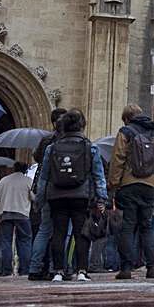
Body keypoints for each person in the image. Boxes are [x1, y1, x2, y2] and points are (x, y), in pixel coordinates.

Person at [36, 110, 106, 282]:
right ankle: (82, 270)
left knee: (58, 232)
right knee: (81, 232)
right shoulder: (90, 147)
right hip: (81, 195)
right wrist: (101, 198)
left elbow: (44, 176)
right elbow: (98, 175)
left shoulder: (52, 148)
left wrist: (40, 199)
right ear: (82, 126)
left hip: (56, 195)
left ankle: (58, 271)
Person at [106, 102, 154, 281]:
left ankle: (126, 267)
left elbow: (118, 158)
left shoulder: (125, 132)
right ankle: (152, 267)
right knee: (147, 225)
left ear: (127, 118)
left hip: (128, 184)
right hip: (150, 186)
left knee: (128, 225)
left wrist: (113, 183)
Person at [28, 107, 67, 280]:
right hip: (66, 190)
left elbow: (38, 160)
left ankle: (35, 268)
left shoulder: (46, 141)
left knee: (44, 230)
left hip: (47, 189)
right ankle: (57, 268)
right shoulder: (71, 141)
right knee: (62, 231)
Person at [0, 160, 33, 276]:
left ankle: (6, 270)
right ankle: (24, 270)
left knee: (6, 242)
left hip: (6, 214)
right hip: (22, 214)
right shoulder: (28, 181)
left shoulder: (4, 180)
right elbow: (34, 197)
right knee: (24, 241)